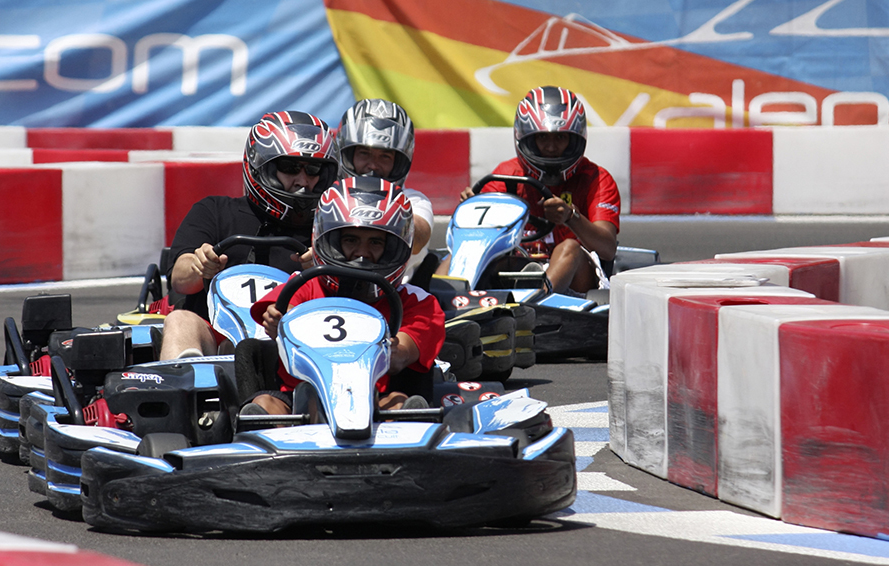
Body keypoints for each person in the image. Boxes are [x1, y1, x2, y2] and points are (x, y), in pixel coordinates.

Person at [243, 177, 446, 416]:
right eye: (351, 240)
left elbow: (402, 352)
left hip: (374, 403)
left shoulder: (417, 302)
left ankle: (401, 440)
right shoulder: (305, 284)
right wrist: (277, 321)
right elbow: (274, 313)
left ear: (394, 247)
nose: (362, 253)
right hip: (298, 402)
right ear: (330, 241)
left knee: (400, 404)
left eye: (375, 242)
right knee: (265, 404)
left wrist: (395, 351)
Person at [159, 111, 339, 360]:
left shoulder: (330, 227)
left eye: (314, 169)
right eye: (290, 168)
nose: (303, 181)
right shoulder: (214, 210)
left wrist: (323, 273)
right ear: (261, 166)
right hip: (218, 337)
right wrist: (202, 266)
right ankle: (187, 386)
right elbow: (179, 279)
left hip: (297, 340)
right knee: (180, 320)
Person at [439, 86, 620, 296]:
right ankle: (441, 303)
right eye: (543, 138)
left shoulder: (597, 179)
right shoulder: (507, 175)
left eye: (560, 138)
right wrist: (473, 212)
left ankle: (535, 302)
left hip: (577, 279)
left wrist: (572, 217)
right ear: (527, 138)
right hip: (520, 266)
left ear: (575, 139)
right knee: (458, 253)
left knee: (569, 247)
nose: (551, 148)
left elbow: (607, 248)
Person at [334, 99, 434, 283]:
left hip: (396, 299)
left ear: (399, 162)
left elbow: (418, 240)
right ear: (347, 154)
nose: (373, 165)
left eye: (384, 157)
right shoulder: (328, 196)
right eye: (364, 153)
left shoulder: (414, 200)